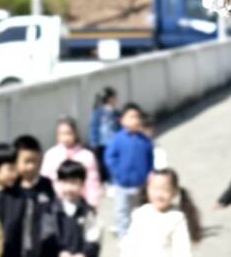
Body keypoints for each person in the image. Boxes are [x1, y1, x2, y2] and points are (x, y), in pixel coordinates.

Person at [14, 133, 57, 257]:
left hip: (48, 248)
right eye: (26, 161)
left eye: (36, 161)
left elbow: (54, 215)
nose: (31, 166)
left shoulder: (46, 185)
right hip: (25, 251)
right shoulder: (13, 190)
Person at [105, 102, 154, 238]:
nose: (135, 120)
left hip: (140, 185)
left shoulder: (145, 141)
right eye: (131, 117)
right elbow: (110, 157)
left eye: (137, 117)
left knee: (141, 212)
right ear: (122, 120)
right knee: (122, 212)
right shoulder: (117, 139)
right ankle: (124, 237)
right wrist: (118, 173)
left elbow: (150, 160)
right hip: (122, 185)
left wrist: (150, 176)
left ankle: (141, 237)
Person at [42, 117, 103, 209]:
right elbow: (44, 180)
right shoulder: (51, 155)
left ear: (75, 134)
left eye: (68, 133)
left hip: (80, 204)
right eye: (61, 134)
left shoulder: (87, 156)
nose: (65, 137)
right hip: (56, 204)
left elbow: (92, 182)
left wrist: (92, 203)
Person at [89, 88, 120, 184]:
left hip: (115, 142)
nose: (116, 100)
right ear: (110, 98)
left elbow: (119, 126)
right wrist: (94, 142)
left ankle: (114, 180)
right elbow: (94, 127)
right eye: (115, 98)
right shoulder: (98, 112)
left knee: (115, 162)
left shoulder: (116, 112)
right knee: (106, 163)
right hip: (103, 144)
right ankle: (109, 181)